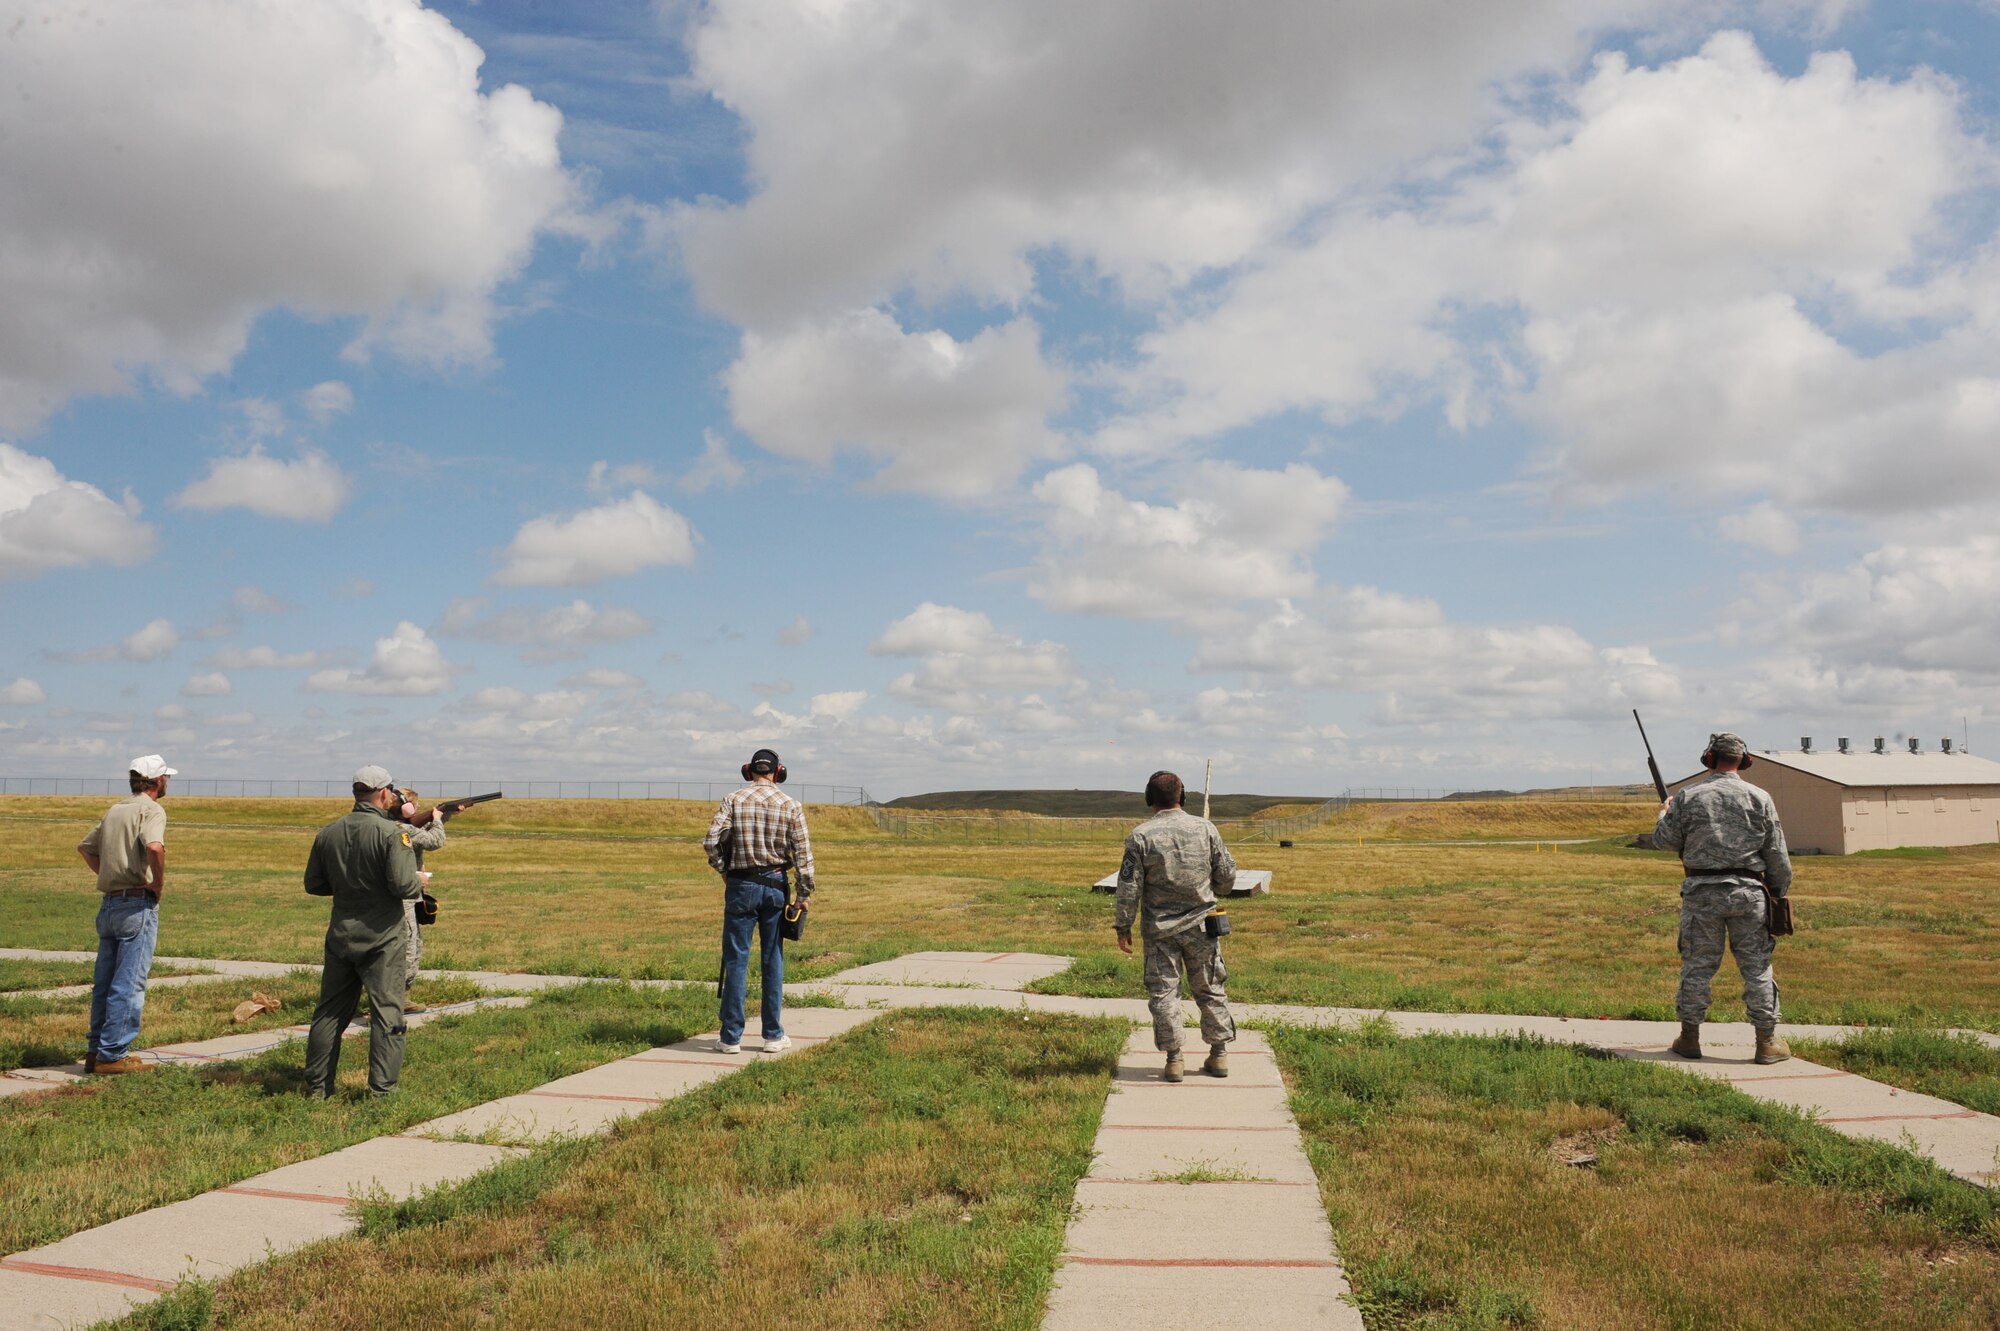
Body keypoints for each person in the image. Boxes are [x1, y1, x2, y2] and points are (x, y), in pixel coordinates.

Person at [1653, 731, 1794, 1065]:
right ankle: (1766, 1042)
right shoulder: (1760, 797)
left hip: (1702, 894)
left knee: (1698, 966)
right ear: (1743, 761)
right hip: (1749, 893)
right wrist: (1777, 892)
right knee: (1757, 968)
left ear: (1710, 759)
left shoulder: (1689, 797)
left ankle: (1689, 1038)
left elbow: (1663, 840)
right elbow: (1777, 855)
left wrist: (1664, 812)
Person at [302, 765, 426, 1097]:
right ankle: (382, 1090)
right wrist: (419, 881)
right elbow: (403, 885)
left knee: (329, 1011)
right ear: (385, 793)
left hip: (342, 932)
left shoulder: (329, 832)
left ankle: (317, 1088)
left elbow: (314, 884)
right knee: (389, 1012)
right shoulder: (392, 833)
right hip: (383, 936)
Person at [1115, 770, 1237, 1082]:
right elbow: (1226, 878)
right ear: (1182, 797)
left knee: (1164, 993)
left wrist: (1123, 925)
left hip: (1159, 932)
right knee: (1210, 988)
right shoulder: (1205, 829)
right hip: (1202, 927)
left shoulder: (1141, 836)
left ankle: (1174, 1059)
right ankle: (1219, 1054)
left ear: (1149, 798)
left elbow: (1129, 886)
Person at [703, 748, 815, 1055]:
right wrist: (804, 894)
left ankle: (730, 1038)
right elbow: (803, 855)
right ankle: (773, 1035)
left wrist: (724, 871)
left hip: (740, 885)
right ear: (779, 772)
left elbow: (711, 842)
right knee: (772, 959)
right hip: (776, 886)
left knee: (736, 958)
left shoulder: (733, 799)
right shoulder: (792, 806)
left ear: (748, 771)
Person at [76, 754, 176, 1074]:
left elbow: (86, 847)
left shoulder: (115, 809)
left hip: (109, 904)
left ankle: (96, 1050)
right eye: (166, 778)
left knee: (104, 982)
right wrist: (156, 884)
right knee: (129, 982)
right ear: (157, 781)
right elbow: (155, 847)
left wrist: (110, 876)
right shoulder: (152, 809)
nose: (167, 783)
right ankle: (114, 1053)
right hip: (136, 904)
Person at [393, 788, 447, 1011]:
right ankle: (394, 1003)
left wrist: (443, 816)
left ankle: (401, 999)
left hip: (404, 894)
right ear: (406, 808)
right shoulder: (402, 828)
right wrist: (437, 820)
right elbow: (435, 840)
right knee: (408, 947)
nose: (415, 809)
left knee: (411, 944)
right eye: (414, 806)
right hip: (404, 896)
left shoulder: (397, 826)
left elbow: (419, 830)